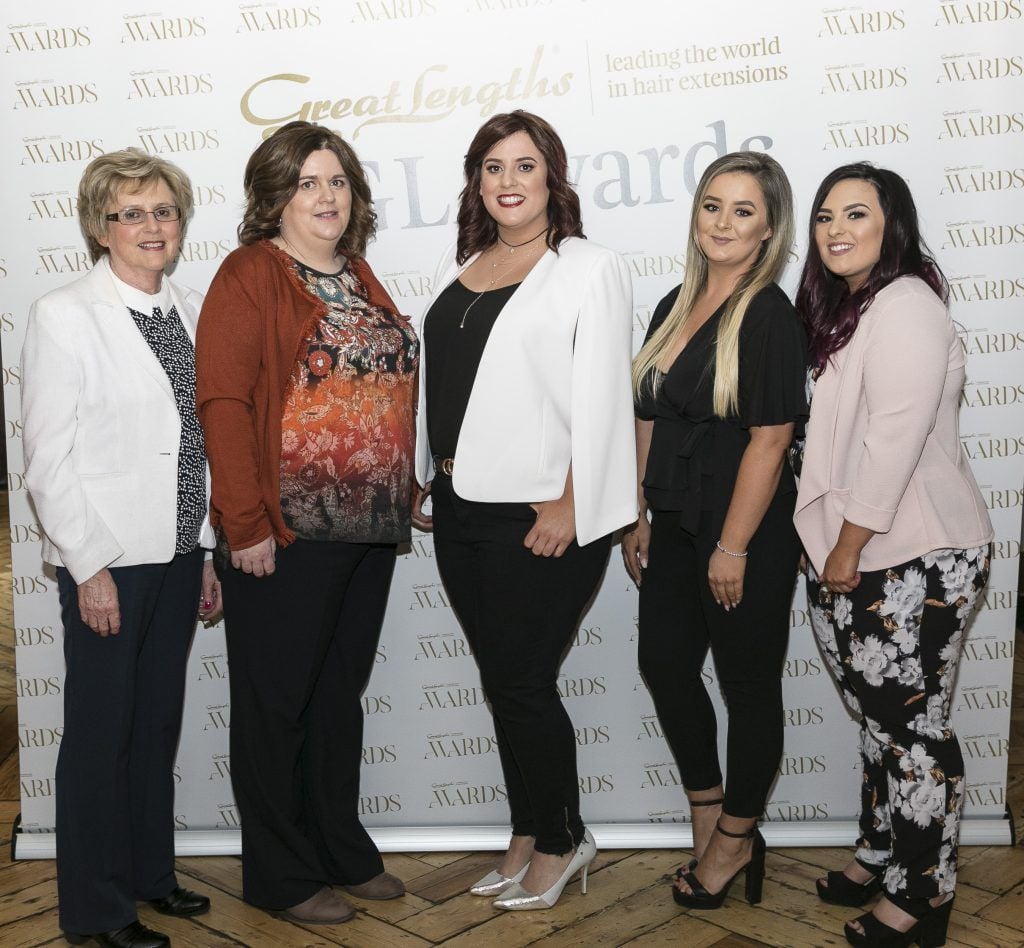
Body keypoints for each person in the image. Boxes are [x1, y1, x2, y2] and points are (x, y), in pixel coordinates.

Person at [412, 110, 636, 911]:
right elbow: (448, 385)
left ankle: (565, 839)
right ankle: (526, 830)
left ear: (553, 179)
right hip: (462, 510)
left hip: (540, 516)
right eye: (492, 167)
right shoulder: (467, 265)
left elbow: (607, 391)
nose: (508, 181)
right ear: (478, 181)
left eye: (525, 166)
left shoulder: (586, 267)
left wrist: (577, 503)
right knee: (504, 683)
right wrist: (422, 474)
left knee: (525, 682)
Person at [195, 121, 415, 924]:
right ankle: (281, 876)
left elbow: (374, 388)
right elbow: (223, 400)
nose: (326, 196)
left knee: (335, 700)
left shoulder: (357, 274)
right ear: (275, 197)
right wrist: (244, 521)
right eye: (308, 182)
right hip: (286, 531)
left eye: (338, 182)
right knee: (276, 703)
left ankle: (339, 851)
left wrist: (403, 477)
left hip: (368, 529)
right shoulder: (252, 272)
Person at [21, 149, 219, 948]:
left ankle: (148, 875)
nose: (150, 226)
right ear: (100, 228)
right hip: (107, 560)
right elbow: (46, 459)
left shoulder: (197, 308)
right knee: (101, 734)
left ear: (181, 223)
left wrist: (205, 549)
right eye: (130, 213)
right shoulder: (63, 315)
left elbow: (201, 444)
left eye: (163, 210)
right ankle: (95, 912)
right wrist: (89, 567)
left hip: (177, 554)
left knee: (156, 724)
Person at [793, 162, 993, 946]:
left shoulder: (906, 305)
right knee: (883, 724)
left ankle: (923, 893)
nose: (837, 229)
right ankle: (882, 852)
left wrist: (847, 546)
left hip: (911, 554)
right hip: (868, 549)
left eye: (857, 215)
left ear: (892, 227)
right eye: (825, 216)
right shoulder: (853, 307)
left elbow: (893, 442)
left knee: (913, 733)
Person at [623, 151, 806, 910]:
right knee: (664, 666)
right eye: (712, 206)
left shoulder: (768, 314)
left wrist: (731, 547)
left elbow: (769, 439)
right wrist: (637, 511)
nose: (723, 223)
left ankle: (735, 839)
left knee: (748, 686)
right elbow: (646, 411)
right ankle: (707, 804)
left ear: (768, 231)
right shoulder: (675, 300)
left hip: (744, 530)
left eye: (742, 211)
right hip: (672, 519)